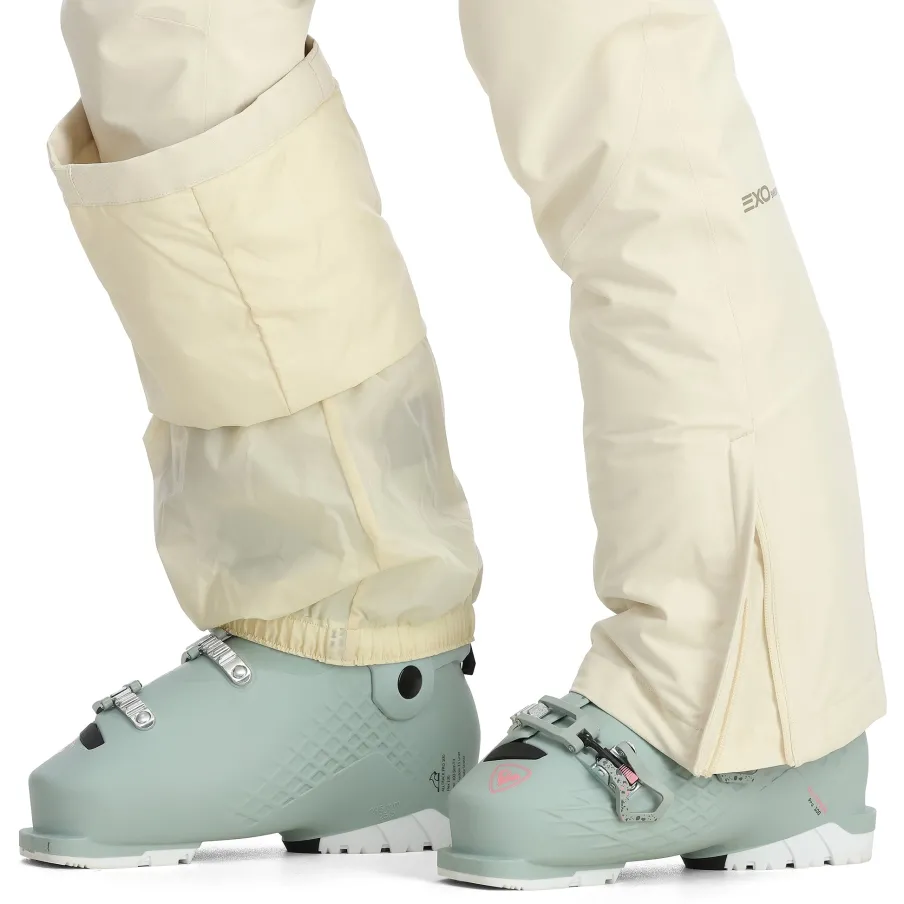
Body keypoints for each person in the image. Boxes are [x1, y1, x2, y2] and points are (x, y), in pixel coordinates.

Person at [20, 0, 884, 888]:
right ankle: (344, 637)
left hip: (738, 691)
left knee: (595, 46)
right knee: (166, 35)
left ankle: (754, 700)